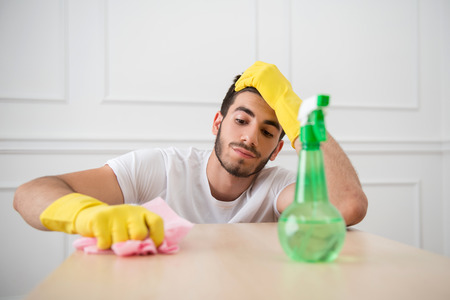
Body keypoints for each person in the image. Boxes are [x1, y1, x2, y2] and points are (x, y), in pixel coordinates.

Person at [13, 61, 368, 250]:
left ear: (278, 148)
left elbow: (348, 205)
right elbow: (29, 193)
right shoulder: (161, 168)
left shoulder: (278, 188)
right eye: (241, 120)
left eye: (267, 131)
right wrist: (87, 216)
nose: (249, 136)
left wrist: (298, 115)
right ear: (218, 123)